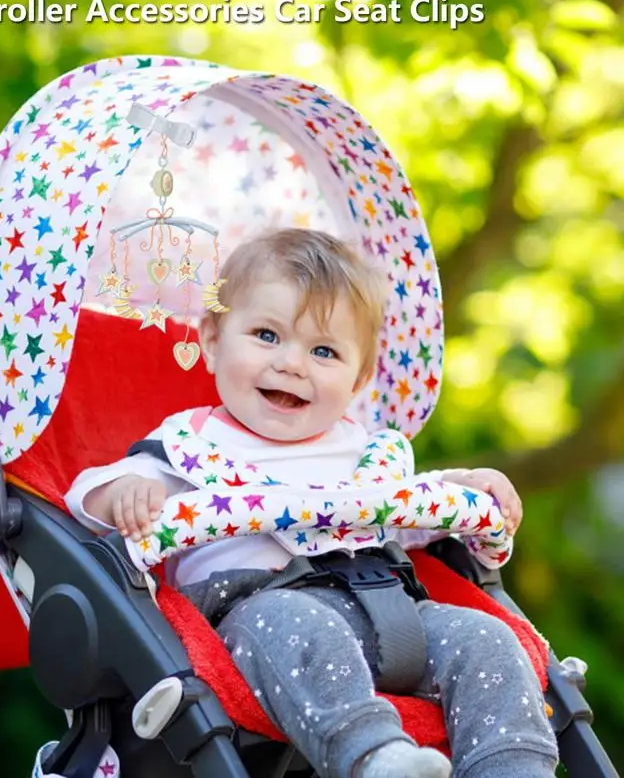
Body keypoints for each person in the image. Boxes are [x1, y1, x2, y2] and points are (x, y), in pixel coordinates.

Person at [65, 228, 559, 778]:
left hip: (392, 609)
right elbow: (86, 496)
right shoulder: (192, 446)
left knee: (488, 641)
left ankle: (515, 768)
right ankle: (378, 759)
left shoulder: (361, 450)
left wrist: (464, 488)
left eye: (323, 351)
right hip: (259, 615)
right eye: (267, 335)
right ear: (212, 340)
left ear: (359, 378)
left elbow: (408, 519)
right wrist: (124, 494)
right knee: (296, 625)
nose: (292, 363)